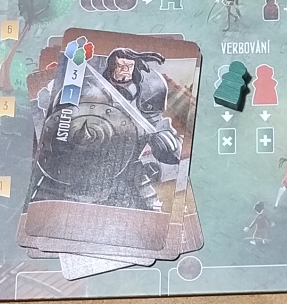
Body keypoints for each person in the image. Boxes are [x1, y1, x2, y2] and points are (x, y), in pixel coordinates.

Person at [30, 47, 182, 212]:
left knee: (150, 218)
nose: (123, 70)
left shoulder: (149, 90)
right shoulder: (85, 88)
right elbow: (53, 123)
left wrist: (167, 144)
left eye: (128, 66)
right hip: (66, 173)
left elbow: (171, 148)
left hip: (124, 176)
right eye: (119, 65)